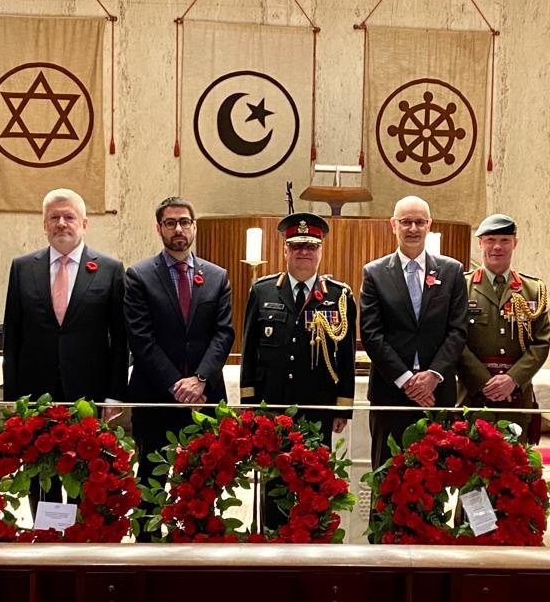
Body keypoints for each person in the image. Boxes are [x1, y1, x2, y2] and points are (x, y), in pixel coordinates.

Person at [2, 188, 129, 513]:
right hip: (34, 395)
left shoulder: (111, 270)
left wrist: (114, 396)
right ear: (44, 224)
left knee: (84, 477)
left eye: (69, 216)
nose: (62, 223)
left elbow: (121, 341)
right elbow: (12, 339)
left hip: (88, 395)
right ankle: (44, 544)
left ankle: (79, 546)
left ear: (84, 223)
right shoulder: (22, 268)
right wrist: (12, 400)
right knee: (40, 477)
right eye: (54, 217)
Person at [124, 196, 234, 537]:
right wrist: (177, 384)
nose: (178, 229)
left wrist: (199, 380)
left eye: (184, 222)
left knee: (203, 485)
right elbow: (140, 339)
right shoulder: (139, 276)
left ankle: (198, 551)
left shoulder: (216, 277)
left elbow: (224, 333)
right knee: (151, 483)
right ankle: (146, 557)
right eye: (170, 223)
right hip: (156, 397)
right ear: (159, 228)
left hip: (205, 399)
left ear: (194, 227)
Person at [239, 212, 356, 529]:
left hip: (316, 407)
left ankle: (314, 546)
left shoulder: (339, 296)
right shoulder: (262, 292)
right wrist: (249, 407)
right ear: (285, 250)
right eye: (297, 245)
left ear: (320, 251)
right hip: (273, 408)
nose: (304, 251)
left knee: (315, 487)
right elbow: (249, 352)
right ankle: (273, 547)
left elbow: (346, 356)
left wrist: (343, 408)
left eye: (310, 246)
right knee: (275, 484)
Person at [360, 195, 468, 472]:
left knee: (434, 480)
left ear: (429, 225)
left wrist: (433, 376)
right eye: (406, 222)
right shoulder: (374, 273)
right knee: (387, 477)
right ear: (393, 225)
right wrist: (408, 381)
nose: (413, 229)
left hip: (436, 392)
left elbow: (458, 330)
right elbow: (372, 334)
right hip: (390, 393)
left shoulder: (452, 271)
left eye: (419, 222)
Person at [457, 213, 550, 443]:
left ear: (515, 243)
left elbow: (541, 342)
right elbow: (453, 338)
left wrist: (512, 379)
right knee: (469, 467)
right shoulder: (460, 286)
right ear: (480, 243)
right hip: (473, 395)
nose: (497, 247)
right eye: (490, 240)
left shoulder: (533, 290)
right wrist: (483, 381)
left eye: (504, 240)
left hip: (516, 396)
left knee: (513, 468)